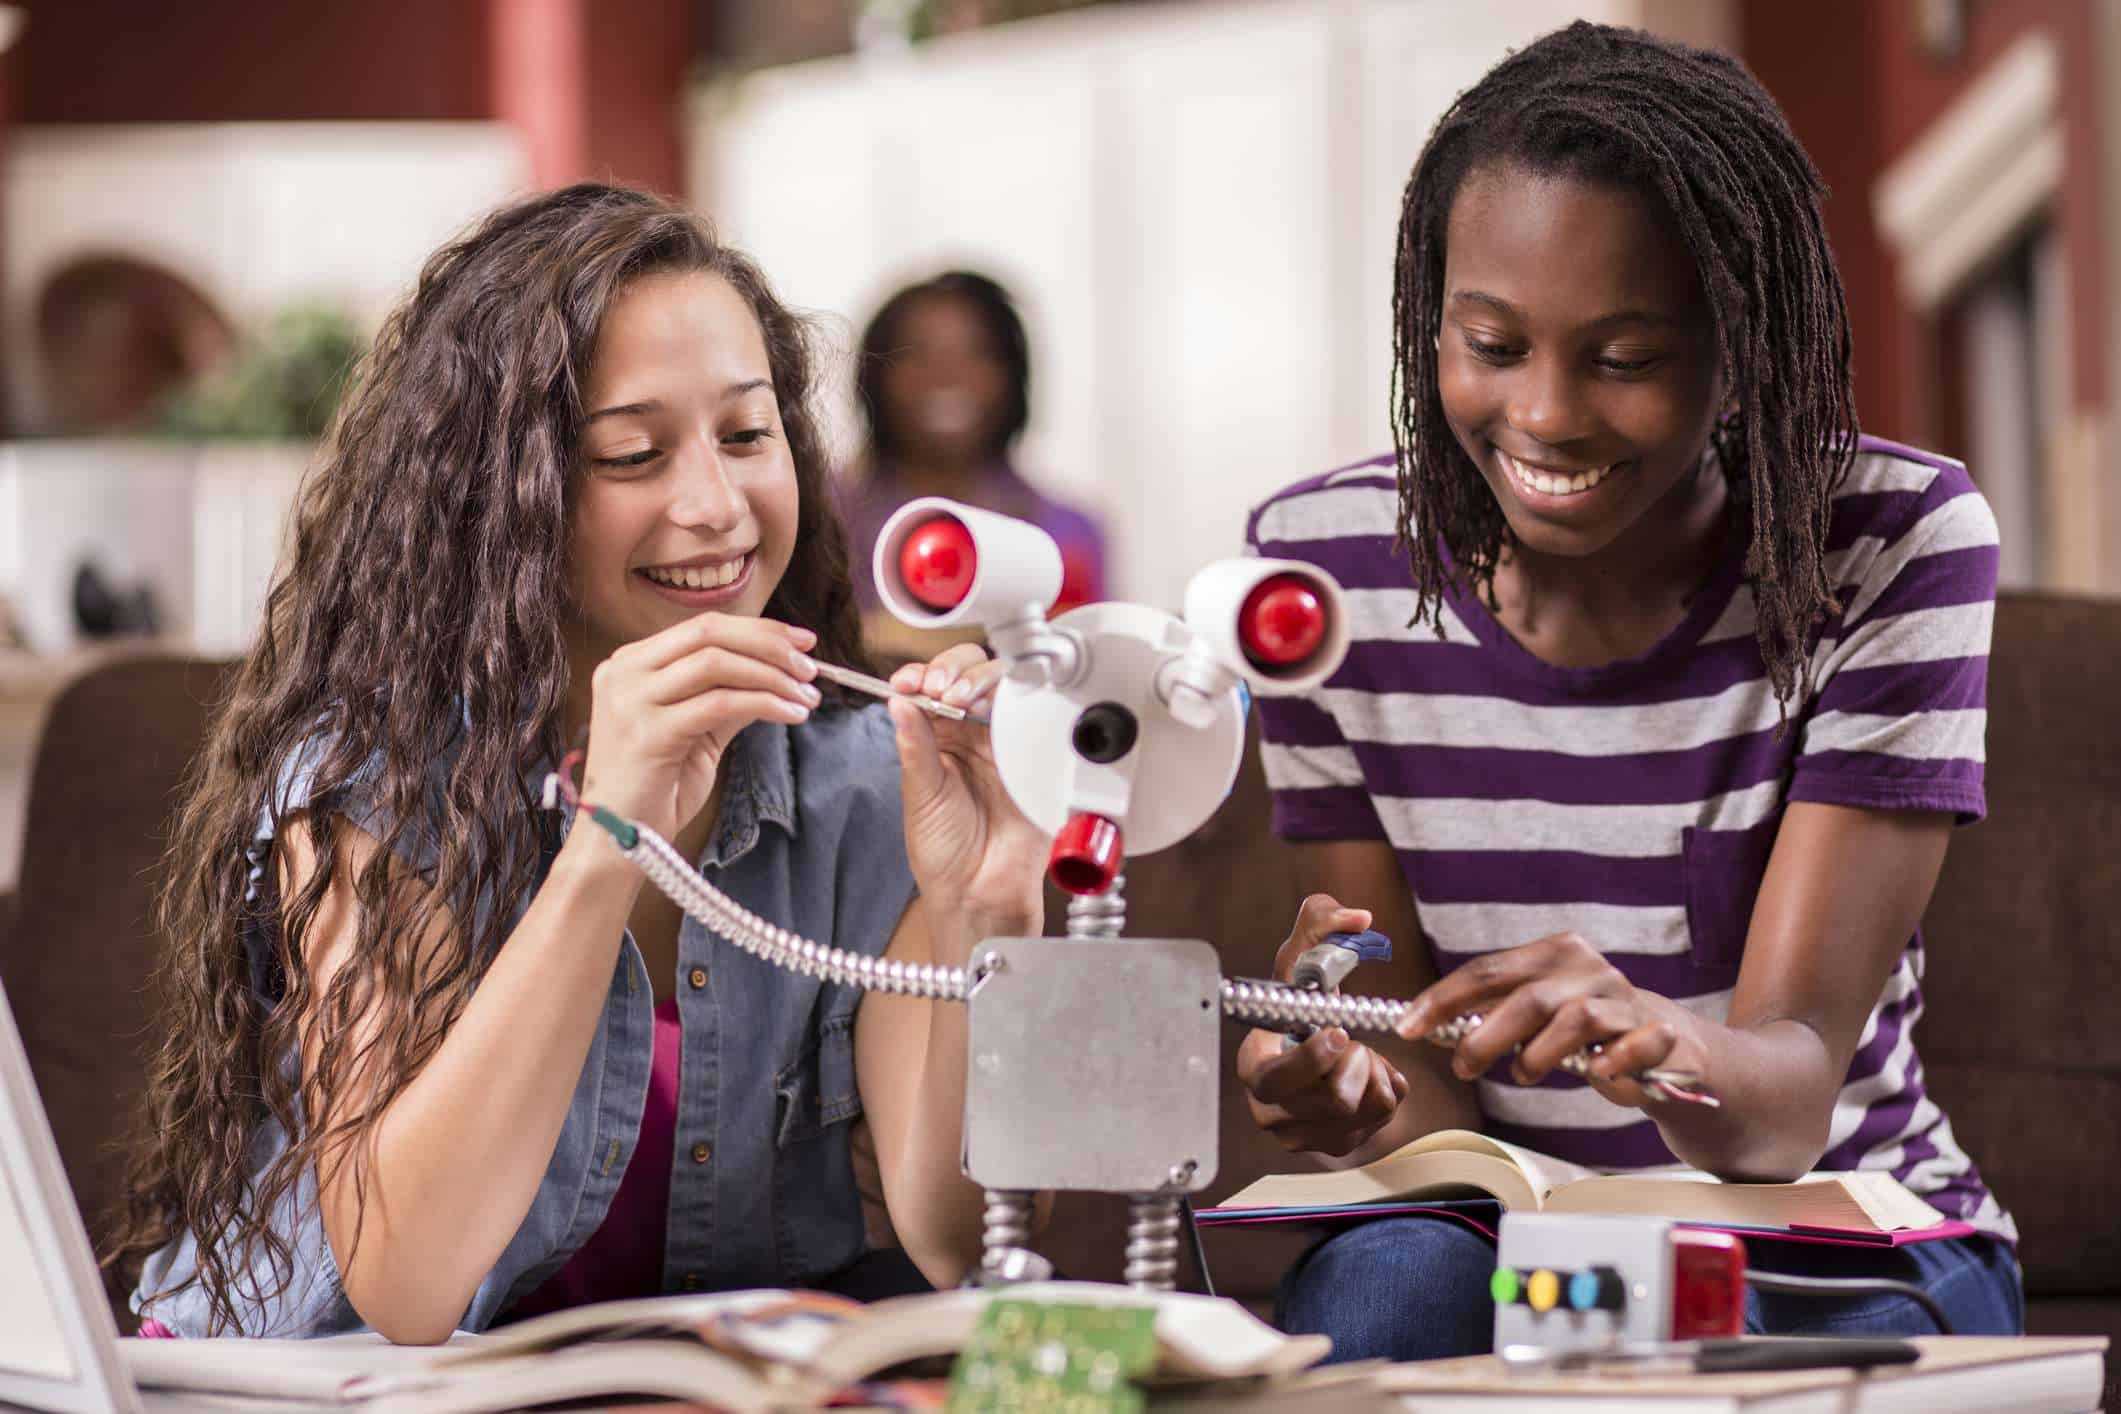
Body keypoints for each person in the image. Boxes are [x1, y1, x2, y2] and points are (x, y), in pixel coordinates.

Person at [103, 185, 1048, 1341]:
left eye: (748, 436)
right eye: (632, 453)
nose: (716, 505)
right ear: (496, 498)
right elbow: (408, 1285)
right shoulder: (374, 782)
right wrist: (609, 842)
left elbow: (957, 1239)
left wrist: (984, 909)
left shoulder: (863, 787)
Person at [1234, 22, 2021, 1362]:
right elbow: (1411, 1057)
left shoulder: (1891, 541)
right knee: (1377, 1298)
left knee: (1750, 1348)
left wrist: (1662, 1039)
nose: (1544, 416)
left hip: (1828, 1220)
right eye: (1490, 342)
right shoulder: (1317, 574)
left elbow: (1779, 1102)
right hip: (1499, 1232)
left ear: (1737, 342)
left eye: (1624, 358)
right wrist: (1352, 1074)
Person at [839, 271, 1106, 662]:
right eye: (915, 353)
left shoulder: (1071, 531)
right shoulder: (821, 515)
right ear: (874, 378)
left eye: (978, 352)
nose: (946, 374)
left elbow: (1091, 661)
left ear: (1012, 376)